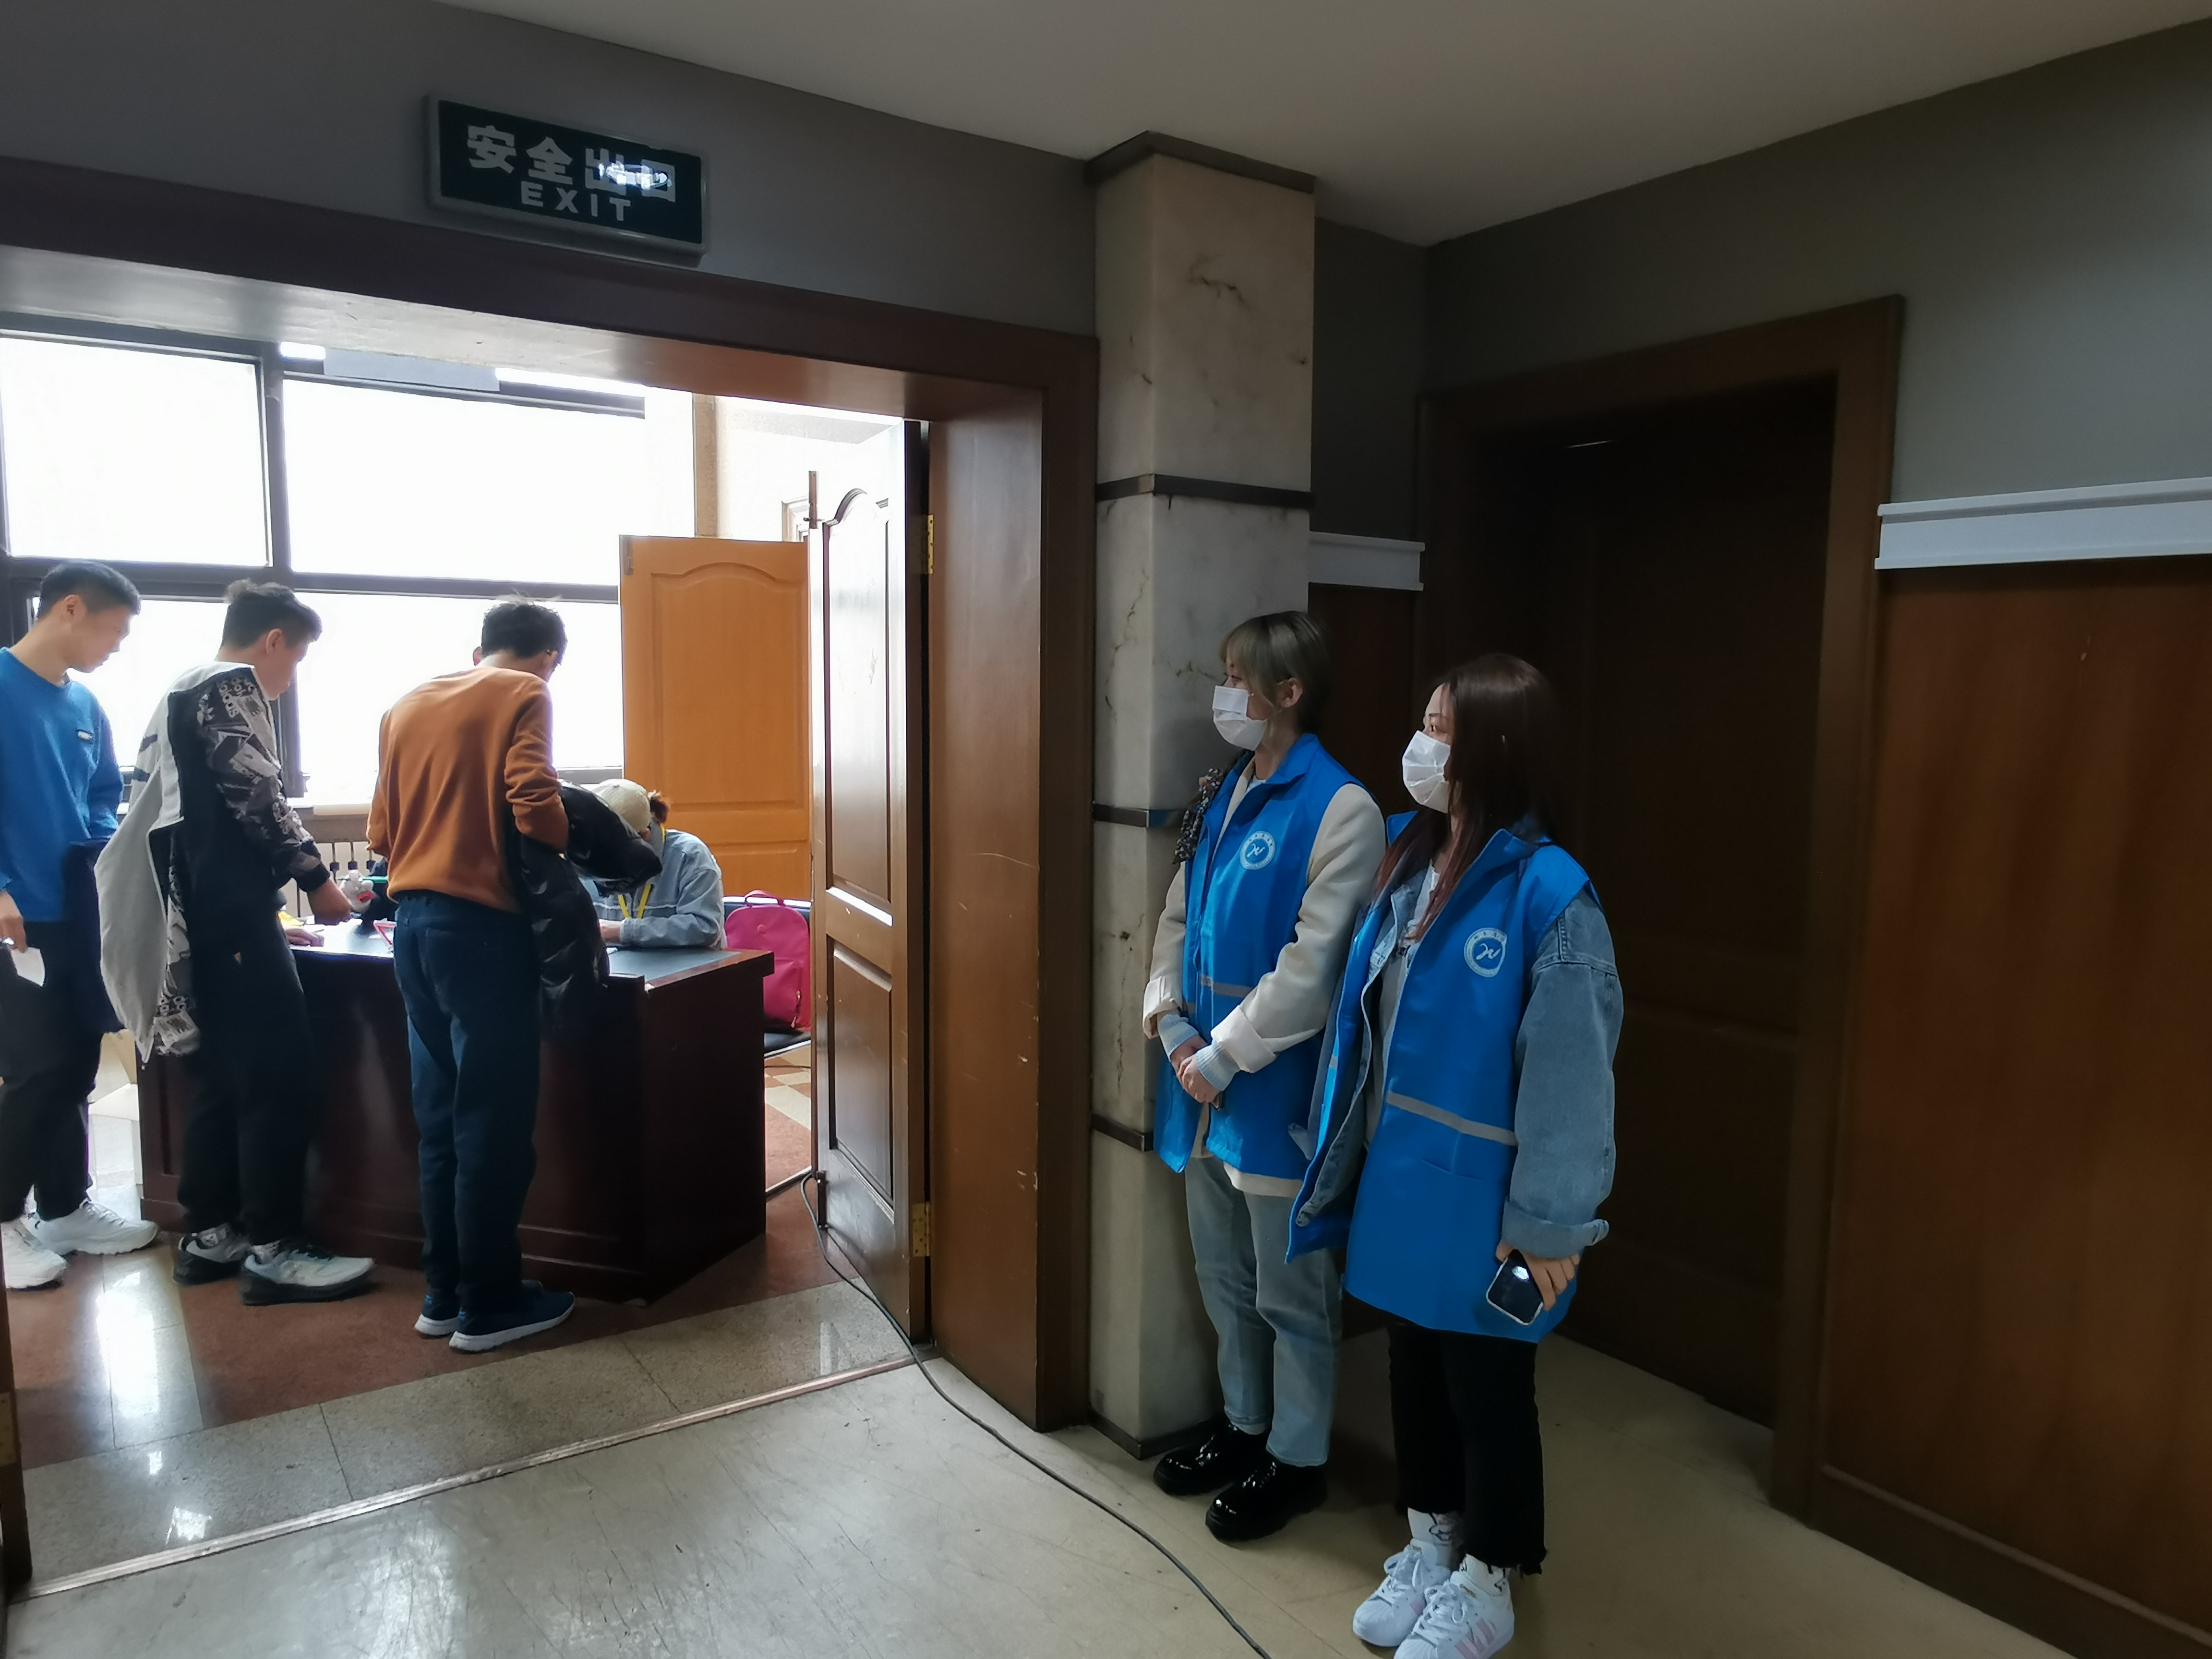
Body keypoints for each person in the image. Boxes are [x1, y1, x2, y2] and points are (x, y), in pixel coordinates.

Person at [1289, 655, 1621, 1659]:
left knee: (1488, 1386)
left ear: (1494, 747)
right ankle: (1431, 1539)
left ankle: (1490, 1575)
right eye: (1425, 723)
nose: (1421, 745)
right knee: (1415, 1367)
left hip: (1490, 1202)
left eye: (1441, 729)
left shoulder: (1550, 895)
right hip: (1400, 1180)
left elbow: (1571, 1075)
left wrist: (1550, 1225)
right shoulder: (1408, 858)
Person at [1141, 612, 1385, 1541]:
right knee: (1222, 1275)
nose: (1225, 692)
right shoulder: (1226, 791)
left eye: (1240, 677)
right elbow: (1176, 917)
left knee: (1292, 1293)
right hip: (1198, 1081)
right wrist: (1171, 1023)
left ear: (1289, 692)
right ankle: (1244, 1427)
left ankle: (1298, 1458)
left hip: (1274, 1089)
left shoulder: (1340, 808)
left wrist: (1221, 1055)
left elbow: (1313, 970)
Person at [97, 581, 374, 1304]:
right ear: (274, 640)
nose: (289, 679)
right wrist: (318, 880)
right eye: (296, 659)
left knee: (221, 1079)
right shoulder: (230, 684)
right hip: (229, 917)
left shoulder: (177, 688)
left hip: (197, 920)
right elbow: (258, 795)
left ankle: (210, 1234)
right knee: (280, 1078)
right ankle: (276, 1249)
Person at [368, 600, 574, 1353]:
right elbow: (534, 807)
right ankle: (490, 1304)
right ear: (549, 658)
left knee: (442, 1122)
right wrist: (571, 836)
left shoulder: (405, 705)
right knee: (494, 1123)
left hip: (413, 931)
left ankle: (443, 1293)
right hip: (484, 935)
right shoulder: (526, 692)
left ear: (479, 648)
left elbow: (380, 832)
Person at [0, 563, 160, 1290]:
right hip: (16, 918)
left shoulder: (86, 703)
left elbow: (100, 799)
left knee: (74, 1064)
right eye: (113, 631)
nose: (116, 647)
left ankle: (64, 1206)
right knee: (35, 1069)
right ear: (70, 609)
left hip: (76, 909)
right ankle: (5, 1218)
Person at [585, 780, 725, 950]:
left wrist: (622, 931)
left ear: (643, 836)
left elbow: (705, 928)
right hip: (618, 963)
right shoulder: (586, 859)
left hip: (687, 964)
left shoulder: (690, 856)